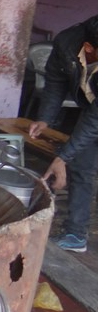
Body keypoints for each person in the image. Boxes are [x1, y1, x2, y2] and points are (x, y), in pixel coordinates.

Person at [29, 14, 98, 252]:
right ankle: (76, 234)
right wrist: (45, 118)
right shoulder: (67, 43)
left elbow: (94, 121)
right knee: (81, 165)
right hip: (93, 111)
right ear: (88, 47)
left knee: (76, 158)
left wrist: (63, 157)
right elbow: (56, 81)